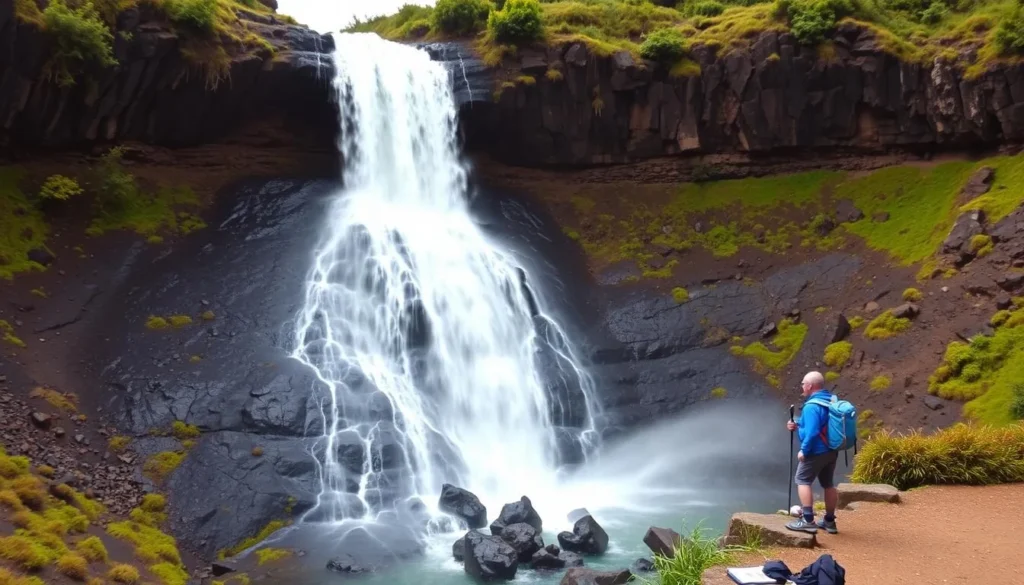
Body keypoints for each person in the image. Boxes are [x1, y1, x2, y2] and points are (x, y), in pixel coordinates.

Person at [785, 371, 839, 534]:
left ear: (809, 385)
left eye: (803, 383)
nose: (802, 386)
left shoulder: (811, 406)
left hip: (816, 451)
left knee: (802, 480)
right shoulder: (830, 400)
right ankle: (829, 521)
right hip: (831, 450)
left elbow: (813, 432)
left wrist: (804, 450)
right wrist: (798, 423)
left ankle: (808, 520)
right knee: (828, 484)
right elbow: (821, 422)